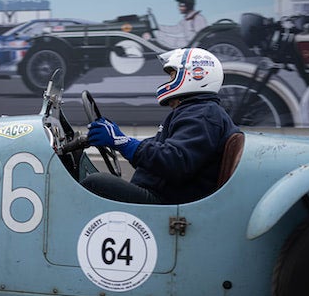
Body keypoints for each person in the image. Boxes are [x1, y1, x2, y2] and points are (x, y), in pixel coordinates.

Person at [81, 47, 240, 205]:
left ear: (195, 75)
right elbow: (161, 149)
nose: (169, 82)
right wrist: (123, 141)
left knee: (95, 183)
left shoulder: (203, 114)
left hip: (168, 203)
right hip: (165, 194)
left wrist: (123, 142)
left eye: (172, 76)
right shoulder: (196, 111)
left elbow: (176, 162)